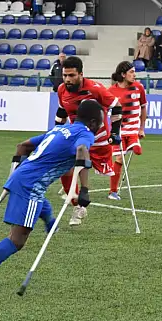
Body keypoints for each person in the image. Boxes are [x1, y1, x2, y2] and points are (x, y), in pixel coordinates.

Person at [0, 100, 104, 296]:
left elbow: (22, 146)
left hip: (22, 178)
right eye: (100, 123)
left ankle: (50, 221)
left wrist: (14, 175)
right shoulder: (85, 134)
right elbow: (82, 151)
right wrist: (84, 189)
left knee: (39, 200)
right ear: (92, 123)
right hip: (30, 186)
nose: (100, 127)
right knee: (17, 240)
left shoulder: (59, 129)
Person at [55, 56, 123, 226]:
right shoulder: (62, 90)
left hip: (98, 138)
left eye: (71, 75)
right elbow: (62, 112)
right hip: (75, 135)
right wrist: (56, 131)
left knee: (81, 162)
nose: (67, 80)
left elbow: (116, 105)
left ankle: (83, 190)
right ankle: (78, 205)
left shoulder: (95, 89)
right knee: (65, 169)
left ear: (81, 74)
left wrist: (115, 132)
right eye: (65, 75)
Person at [107, 61, 147, 200]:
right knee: (118, 158)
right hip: (118, 131)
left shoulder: (139, 87)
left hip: (133, 129)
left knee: (137, 150)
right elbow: (106, 110)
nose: (134, 75)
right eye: (131, 72)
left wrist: (142, 128)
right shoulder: (111, 91)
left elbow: (143, 107)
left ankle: (134, 143)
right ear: (123, 74)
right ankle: (112, 192)